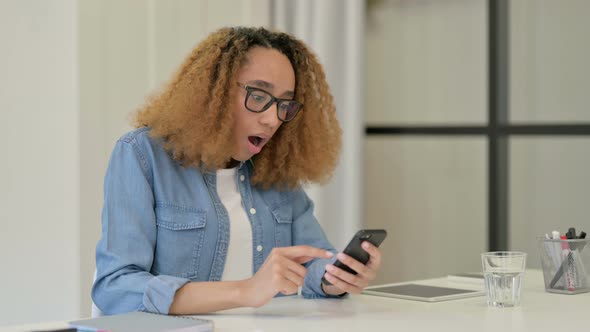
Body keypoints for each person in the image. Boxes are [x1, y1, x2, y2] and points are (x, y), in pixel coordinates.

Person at [92, 26, 382, 315]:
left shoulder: (275, 166)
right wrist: (246, 290)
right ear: (212, 92)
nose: (272, 119)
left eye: (284, 104)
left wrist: (339, 277)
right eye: (258, 96)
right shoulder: (143, 154)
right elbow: (116, 287)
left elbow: (313, 259)